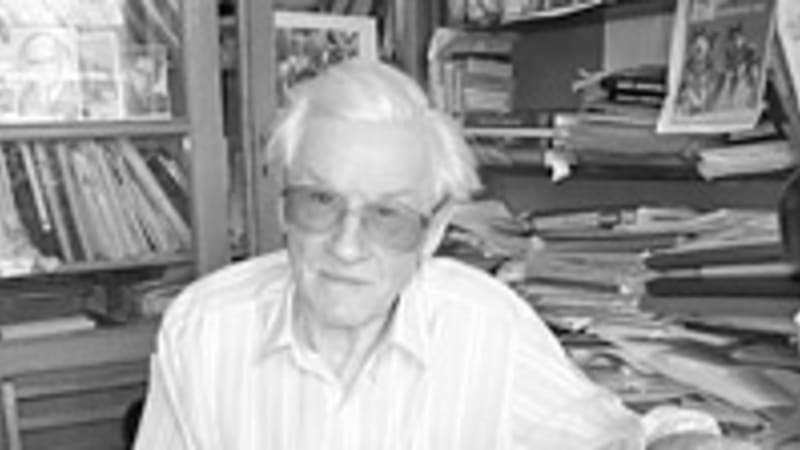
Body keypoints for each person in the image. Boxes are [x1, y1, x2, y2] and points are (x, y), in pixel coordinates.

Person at [133, 59, 752, 449]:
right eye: (320, 201)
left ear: (433, 233)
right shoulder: (204, 328)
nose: (347, 246)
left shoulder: (486, 327)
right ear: (280, 208)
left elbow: (624, 439)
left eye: (388, 216)